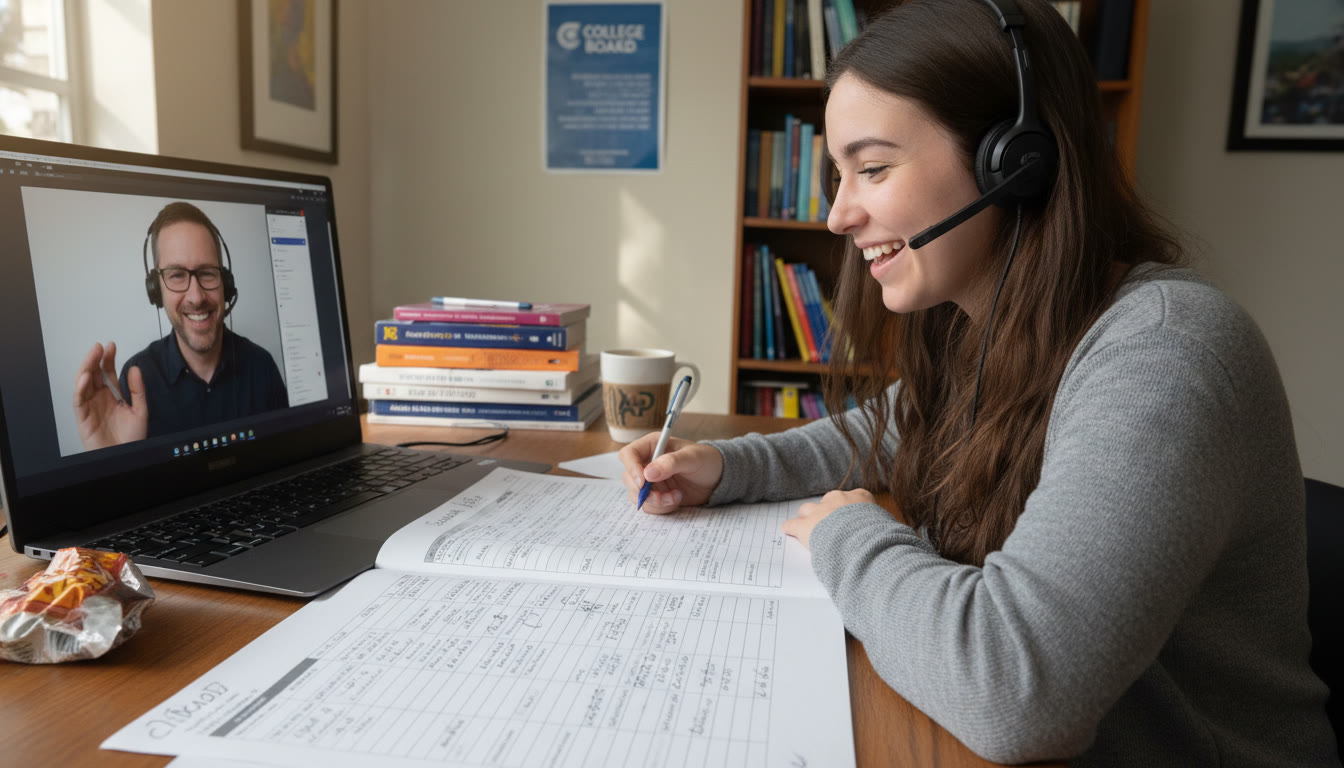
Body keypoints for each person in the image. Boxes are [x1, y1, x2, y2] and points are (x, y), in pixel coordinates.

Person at [620, 0, 1340, 765]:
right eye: (838, 175)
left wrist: (849, 537)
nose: (837, 215)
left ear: (1015, 162)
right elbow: (891, 426)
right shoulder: (988, 323)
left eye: (872, 168)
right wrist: (727, 466)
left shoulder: (1166, 350)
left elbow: (1018, 696)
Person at [72, 202, 289, 450]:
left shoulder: (262, 366)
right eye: (177, 275)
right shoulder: (136, 378)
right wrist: (113, 458)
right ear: (156, 290)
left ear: (226, 283)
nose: (196, 297)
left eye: (207, 273)